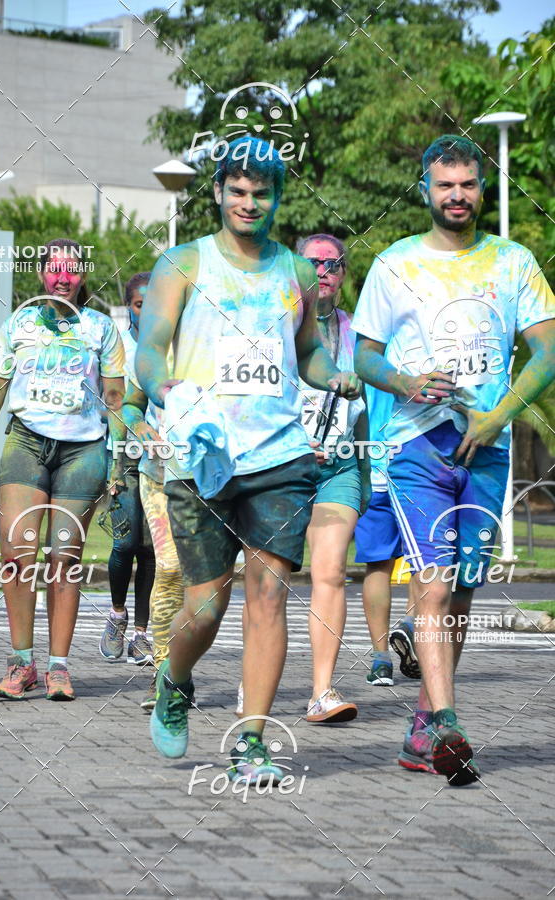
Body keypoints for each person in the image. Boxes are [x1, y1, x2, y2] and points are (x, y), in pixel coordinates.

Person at [135, 136, 361, 782]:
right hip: (202, 455)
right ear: (218, 194)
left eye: (261, 193)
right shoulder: (182, 264)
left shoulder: (294, 271)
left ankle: (251, 741)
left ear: (275, 198)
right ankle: (175, 681)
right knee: (205, 606)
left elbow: (308, 350)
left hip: (281, 456)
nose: (248, 202)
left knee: (268, 593)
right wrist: (162, 386)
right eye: (237, 191)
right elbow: (150, 348)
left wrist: (333, 376)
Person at [353, 134, 555, 785]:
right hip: (417, 445)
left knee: (461, 588)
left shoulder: (514, 262)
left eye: (468, 184)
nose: (458, 195)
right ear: (427, 190)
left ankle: (424, 726)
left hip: (487, 448)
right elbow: (363, 355)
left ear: (479, 187)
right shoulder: (394, 264)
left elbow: (549, 351)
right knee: (433, 580)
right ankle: (446, 720)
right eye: (446, 185)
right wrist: (406, 382)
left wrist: (501, 414)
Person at [0, 238, 125, 701]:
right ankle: (21, 664)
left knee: (64, 559)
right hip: (26, 443)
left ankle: (58, 667)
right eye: (54, 269)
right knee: (17, 557)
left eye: (71, 270)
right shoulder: (19, 322)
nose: (62, 277)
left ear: (81, 277)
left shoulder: (100, 329)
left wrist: (118, 458)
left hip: (84, 451)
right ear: (41, 275)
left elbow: (114, 398)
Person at [296, 233, 369, 723]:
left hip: (339, 468)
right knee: (267, 579)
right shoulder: (276, 327)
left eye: (334, 264)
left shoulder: (358, 333)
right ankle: (251, 680)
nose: (324, 270)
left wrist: (363, 476)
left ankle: (322, 691)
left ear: (343, 275)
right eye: (313, 263)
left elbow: (365, 406)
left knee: (330, 573)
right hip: (280, 465)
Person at [120, 306, 186, 710]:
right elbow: (130, 404)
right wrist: (142, 429)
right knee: (170, 568)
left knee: (209, 585)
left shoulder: (224, 346)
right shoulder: (153, 351)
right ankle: (164, 675)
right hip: (159, 476)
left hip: (214, 482)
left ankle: (184, 667)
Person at [99, 273, 156, 666]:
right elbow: (116, 405)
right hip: (125, 458)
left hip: (163, 460)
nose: (147, 311)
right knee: (124, 543)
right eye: (139, 304)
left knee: (150, 551)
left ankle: (140, 634)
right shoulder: (118, 347)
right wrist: (115, 468)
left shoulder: (173, 346)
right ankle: (117, 614)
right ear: (129, 306)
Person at [355, 383, 420, 687]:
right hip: (417, 467)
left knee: (378, 565)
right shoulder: (421, 337)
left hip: (370, 464)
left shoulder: (358, 343)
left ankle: (381, 660)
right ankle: (411, 624)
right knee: (426, 560)